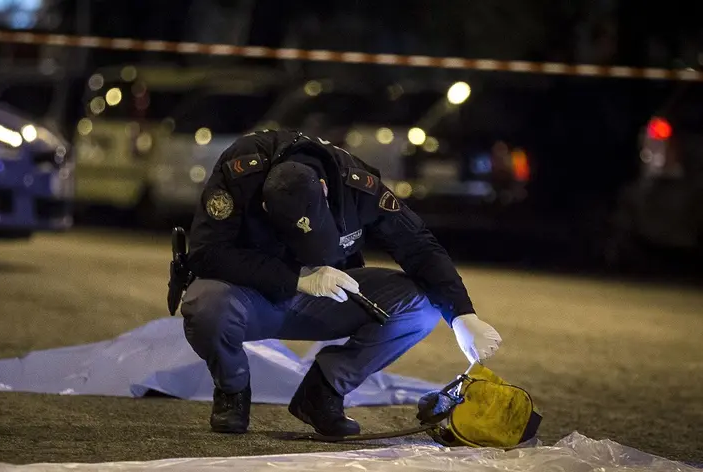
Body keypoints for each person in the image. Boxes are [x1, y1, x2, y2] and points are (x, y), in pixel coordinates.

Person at [180, 128, 502, 436]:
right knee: (204, 305)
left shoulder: (357, 185)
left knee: (423, 306)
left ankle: (323, 393)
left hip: (326, 293)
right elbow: (206, 253)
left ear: (324, 188)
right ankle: (232, 389)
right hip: (252, 294)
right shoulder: (241, 172)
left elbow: (418, 246)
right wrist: (296, 278)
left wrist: (462, 314)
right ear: (265, 205)